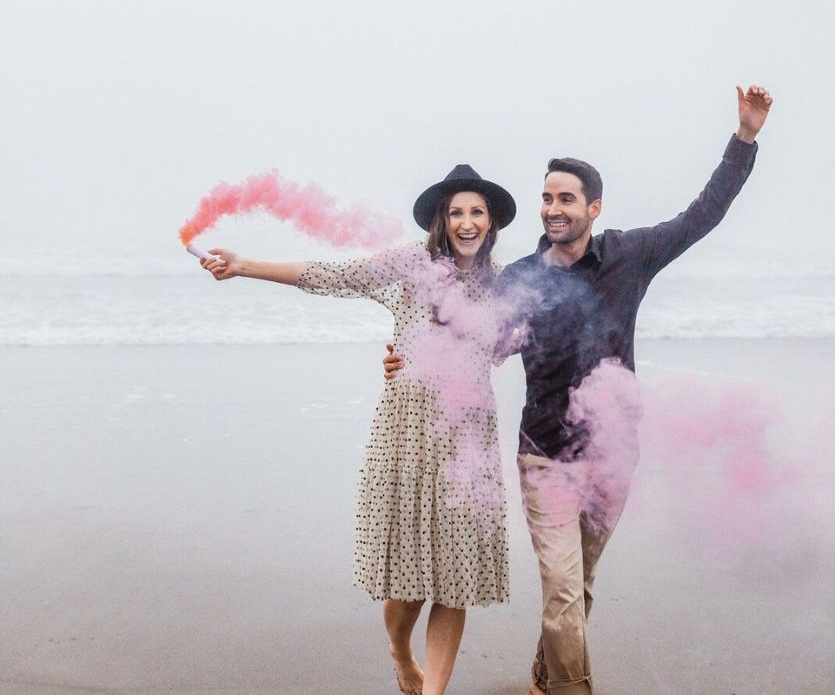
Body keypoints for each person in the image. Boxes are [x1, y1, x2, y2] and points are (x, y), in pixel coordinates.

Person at [384, 85, 773, 694]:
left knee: (579, 588)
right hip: (544, 455)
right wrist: (414, 360)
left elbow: (703, 214)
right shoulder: (519, 279)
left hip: (614, 454)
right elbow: (482, 346)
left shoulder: (632, 254)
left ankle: (544, 676)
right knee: (562, 590)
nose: (552, 208)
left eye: (565, 198)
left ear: (594, 207)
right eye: (546, 198)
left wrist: (744, 139)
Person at [197, 164, 517, 695]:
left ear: (490, 223)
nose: (466, 222)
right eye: (456, 211)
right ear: (441, 219)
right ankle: (399, 650)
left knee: (454, 581)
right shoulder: (414, 262)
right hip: (410, 430)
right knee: (410, 582)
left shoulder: (502, 283)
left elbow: (510, 348)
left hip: (468, 438)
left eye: (476, 212)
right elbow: (335, 276)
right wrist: (245, 265)